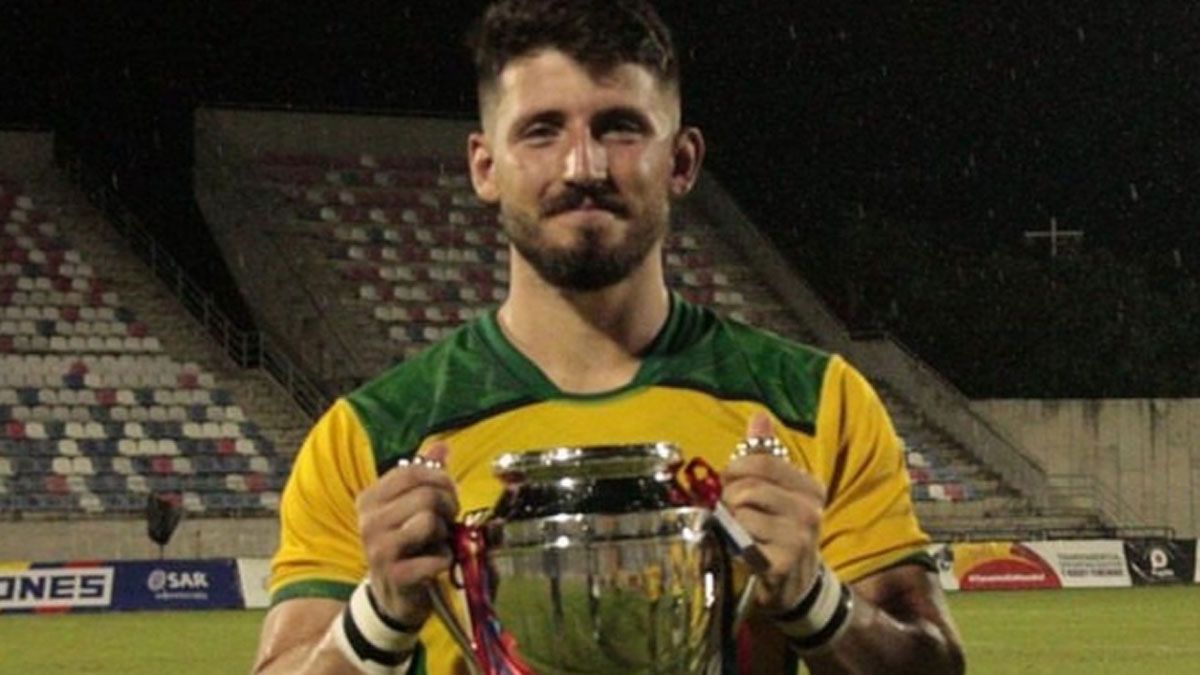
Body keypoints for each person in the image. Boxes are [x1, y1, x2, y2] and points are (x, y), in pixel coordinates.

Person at [252, 1, 966, 673]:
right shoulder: (370, 437)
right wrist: (373, 618)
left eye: (620, 127)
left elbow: (932, 661)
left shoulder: (816, 401)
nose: (582, 167)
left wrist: (818, 599)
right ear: (484, 166)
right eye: (541, 130)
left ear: (682, 161)